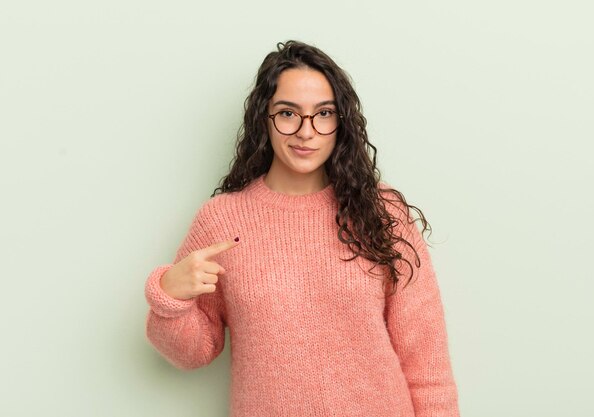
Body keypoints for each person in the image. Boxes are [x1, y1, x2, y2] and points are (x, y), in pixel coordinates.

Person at [144, 40, 460, 417]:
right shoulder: (223, 220)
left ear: (340, 121)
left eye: (323, 113)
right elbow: (193, 353)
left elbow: (427, 362)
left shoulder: (382, 211)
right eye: (288, 113)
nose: (306, 131)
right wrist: (170, 297)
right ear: (265, 118)